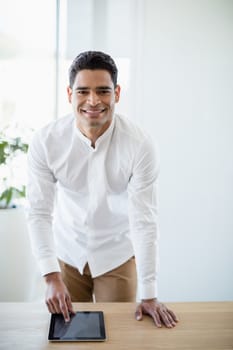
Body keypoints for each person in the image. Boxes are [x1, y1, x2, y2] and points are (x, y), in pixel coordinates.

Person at [27, 51, 178, 328]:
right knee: (65, 337)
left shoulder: (140, 145)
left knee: (120, 335)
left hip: (116, 255)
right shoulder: (46, 142)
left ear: (117, 93)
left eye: (103, 91)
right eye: (83, 91)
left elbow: (144, 220)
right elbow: (38, 213)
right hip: (66, 254)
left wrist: (150, 293)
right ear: (70, 94)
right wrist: (50, 275)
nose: (93, 101)